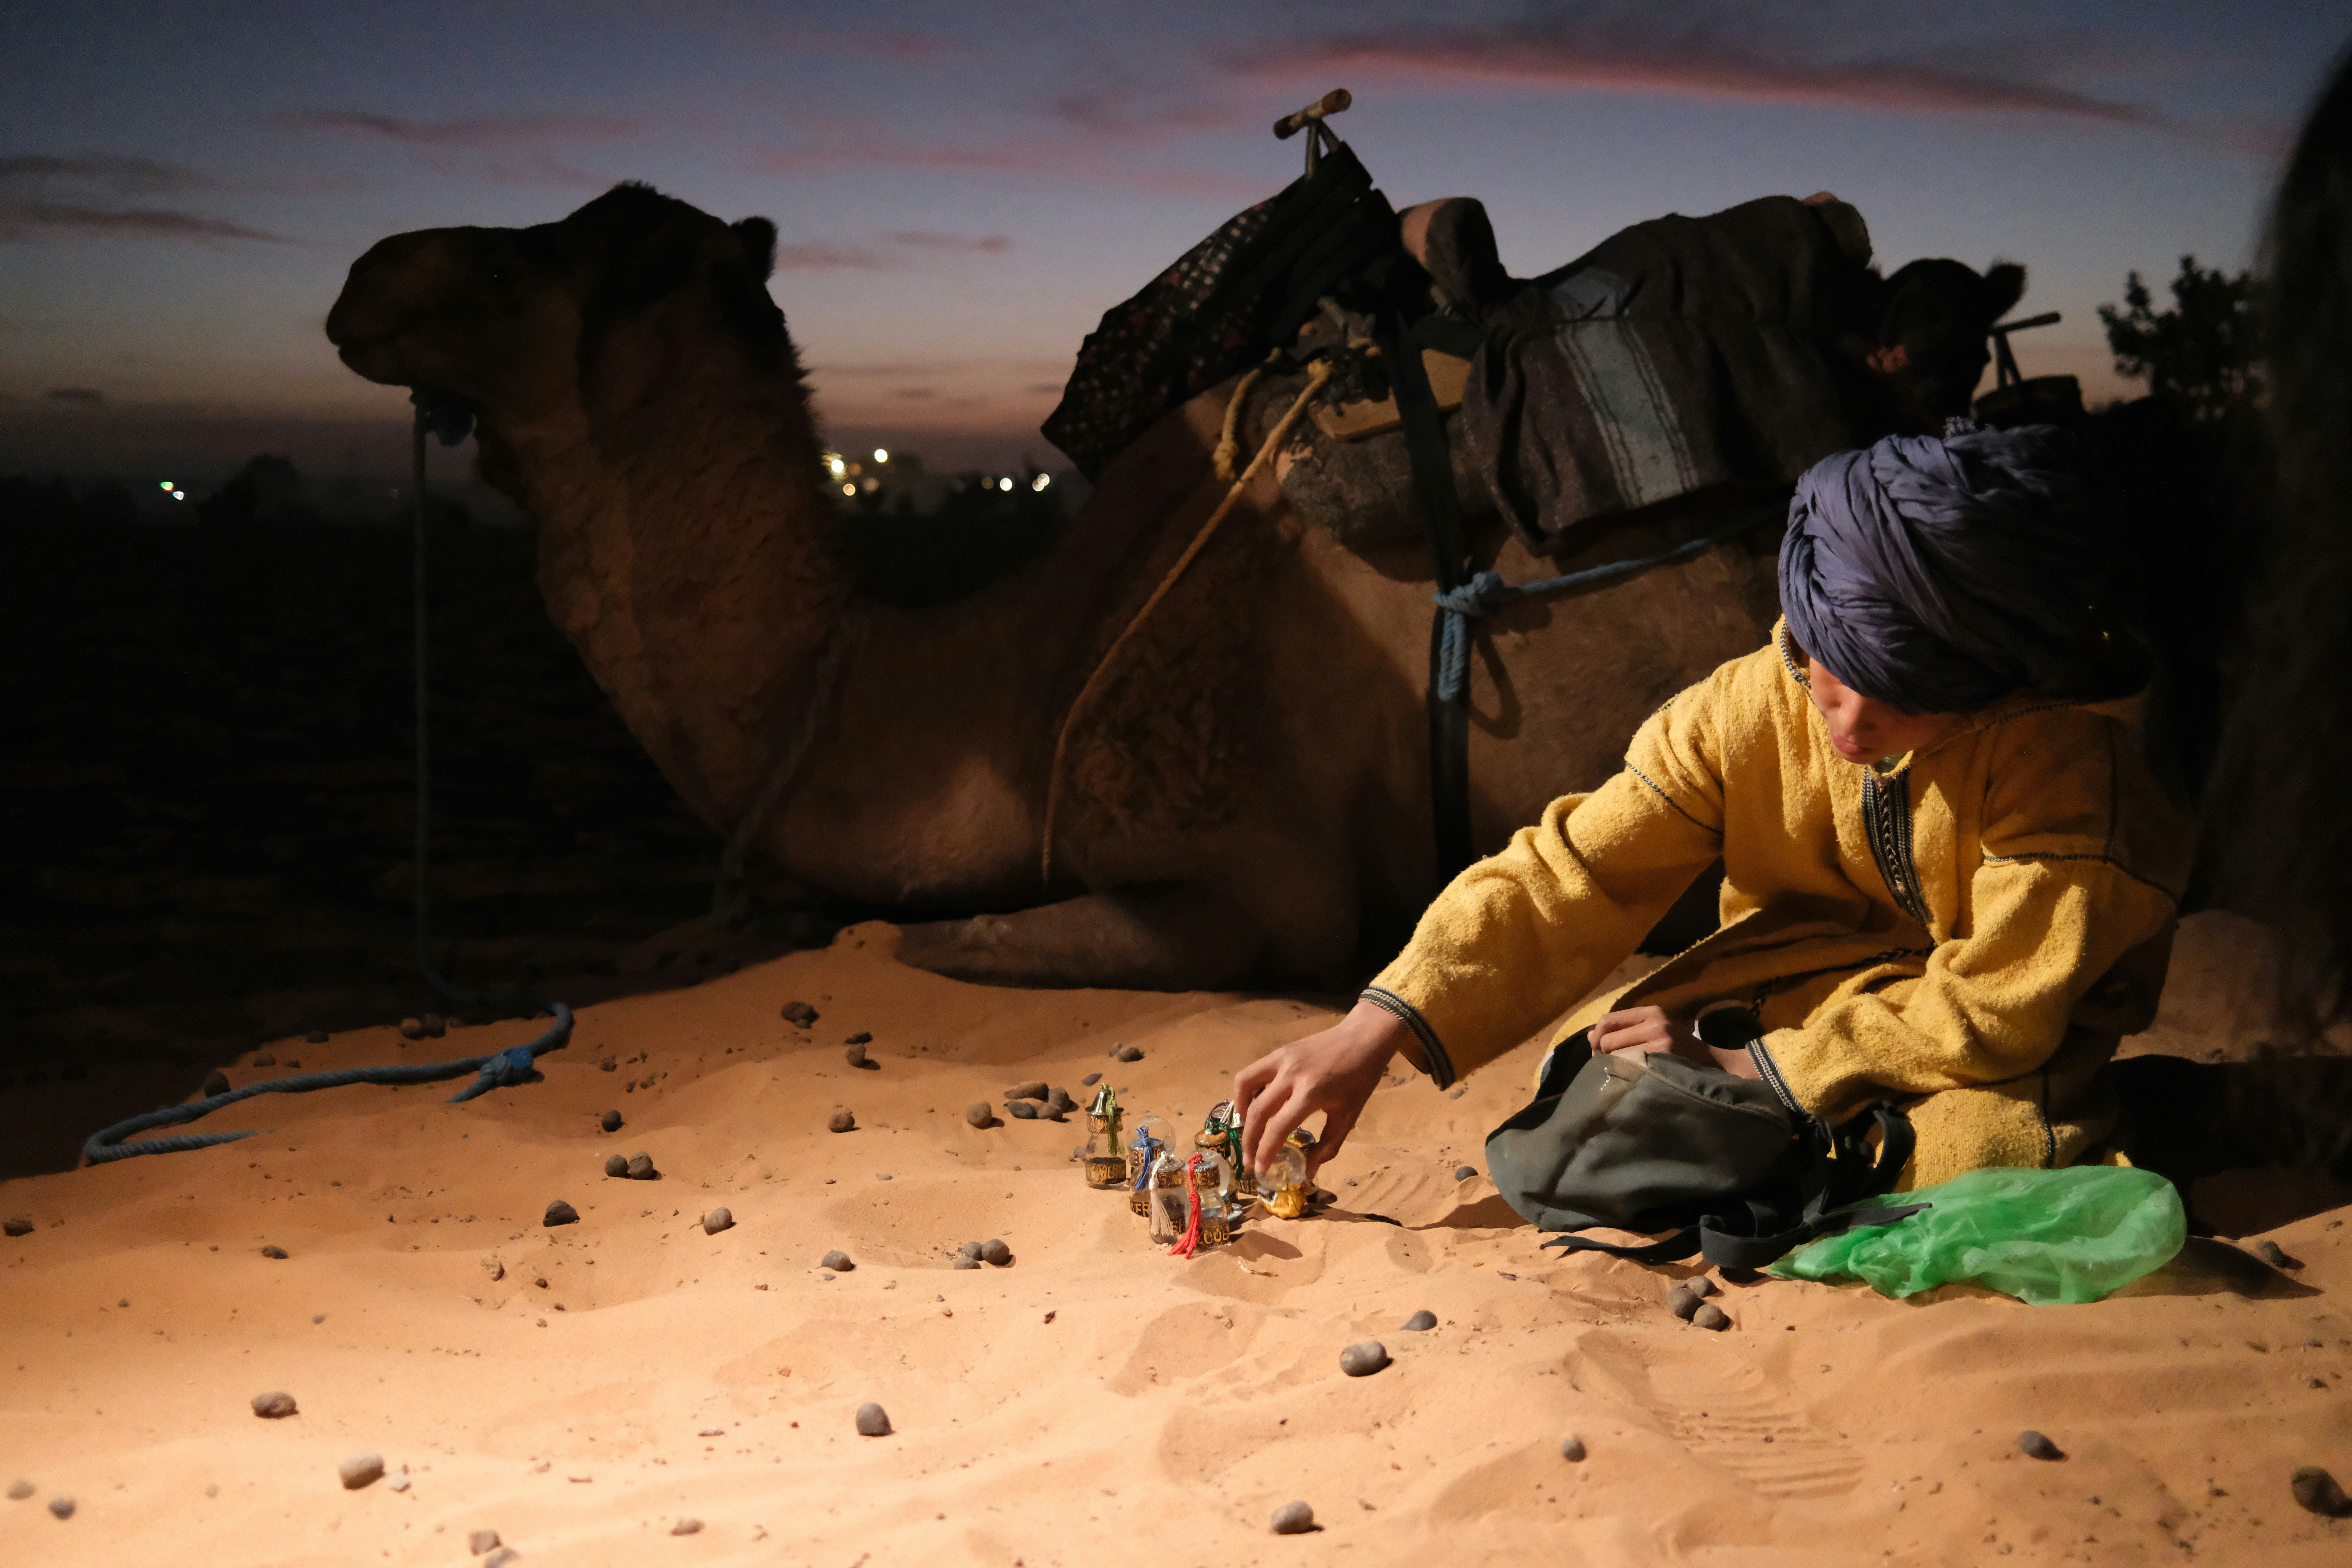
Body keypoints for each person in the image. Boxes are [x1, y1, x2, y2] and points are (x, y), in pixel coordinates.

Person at [1235, 422, 2192, 1201]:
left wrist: (1753, 1066)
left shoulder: (2067, 768)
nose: (1851, 725)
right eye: (1831, 681)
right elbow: (1581, 870)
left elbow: (1996, 1007)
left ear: (1984, 679)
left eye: (1901, 698)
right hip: (1794, 986)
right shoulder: (1741, 709)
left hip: (1984, 1041)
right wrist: (1374, 1027)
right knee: (1590, 1086)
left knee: (1967, 1164)